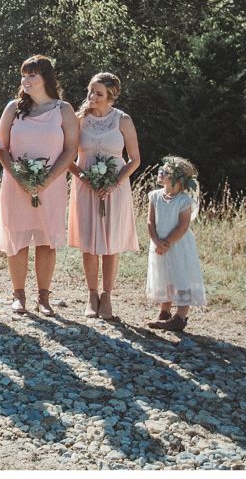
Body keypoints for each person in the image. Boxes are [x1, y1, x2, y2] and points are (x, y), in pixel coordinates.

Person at [0, 55, 79, 315]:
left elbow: (71, 150)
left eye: (32, 75)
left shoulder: (63, 109)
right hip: (16, 183)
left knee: (46, 240)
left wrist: (47, 179)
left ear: (46, 78)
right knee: (17, 238)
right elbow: (0, 147)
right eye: (24, 75)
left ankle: (44, 297)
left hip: (51, 185)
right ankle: (18, 295)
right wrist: (18, 176)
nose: (26, 80)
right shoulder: (13, 108)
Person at [67, 72, 140, 320]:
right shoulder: (79, 120)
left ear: (111, 96)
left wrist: (113, 183)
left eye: (99, 93)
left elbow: (135, 159)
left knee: (110, 242)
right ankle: (91, 294)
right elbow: (67, 157)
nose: (92, 96)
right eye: (90, 91)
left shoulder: (123, 120)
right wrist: (84, 177)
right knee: (88, 242)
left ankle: (107, 296)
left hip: (114, 188)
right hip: (85, 186)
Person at [146, 156, 206, 332]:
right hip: (158, 243)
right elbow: (150, 221)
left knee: (180, 276)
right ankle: (164, 311)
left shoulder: (183, 201)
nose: (160, 173)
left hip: (178, 245)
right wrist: (156, 241)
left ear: (178, 179)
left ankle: (180, 316)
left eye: (165, 172)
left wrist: (167, 243)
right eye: (161, 170)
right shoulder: (155, 196)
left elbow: (183, 225)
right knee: (164, 275)